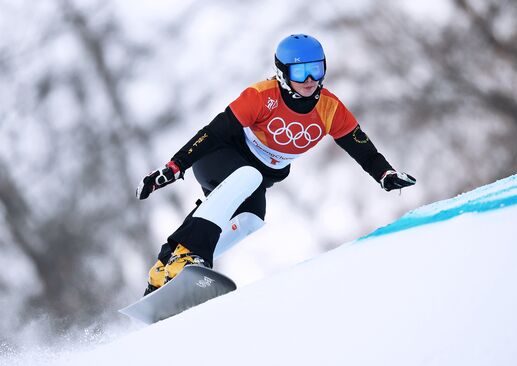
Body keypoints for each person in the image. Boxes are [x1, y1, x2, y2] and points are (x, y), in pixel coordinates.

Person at [136, 34, 416, 295]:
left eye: (316, 70)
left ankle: (166, 269)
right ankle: (189, 252)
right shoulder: (261, 97)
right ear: (283, 73)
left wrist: (384, 174)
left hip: (255, 177)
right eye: (299, 72)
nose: (309, 80)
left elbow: (361, 147)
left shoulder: (330, 109)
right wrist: (175, 166)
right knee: (248, 176)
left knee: (252, 219)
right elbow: (213, 133)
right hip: (219, 158)